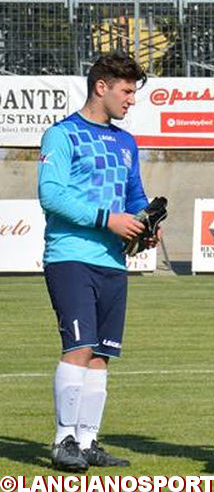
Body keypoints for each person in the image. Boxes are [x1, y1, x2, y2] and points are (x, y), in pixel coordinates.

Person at [39, 52, 154, 471]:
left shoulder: (126, 142)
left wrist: (146, 222)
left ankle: (87, 442)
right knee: (79, 347)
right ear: (101, 87)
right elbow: (51, 195)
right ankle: (62, 440)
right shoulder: (62, 134)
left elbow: (135, 196)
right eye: (126, 91)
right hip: (70, 256)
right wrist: (108, 219)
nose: (131, 100)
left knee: (102, 354)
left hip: (112, 262)